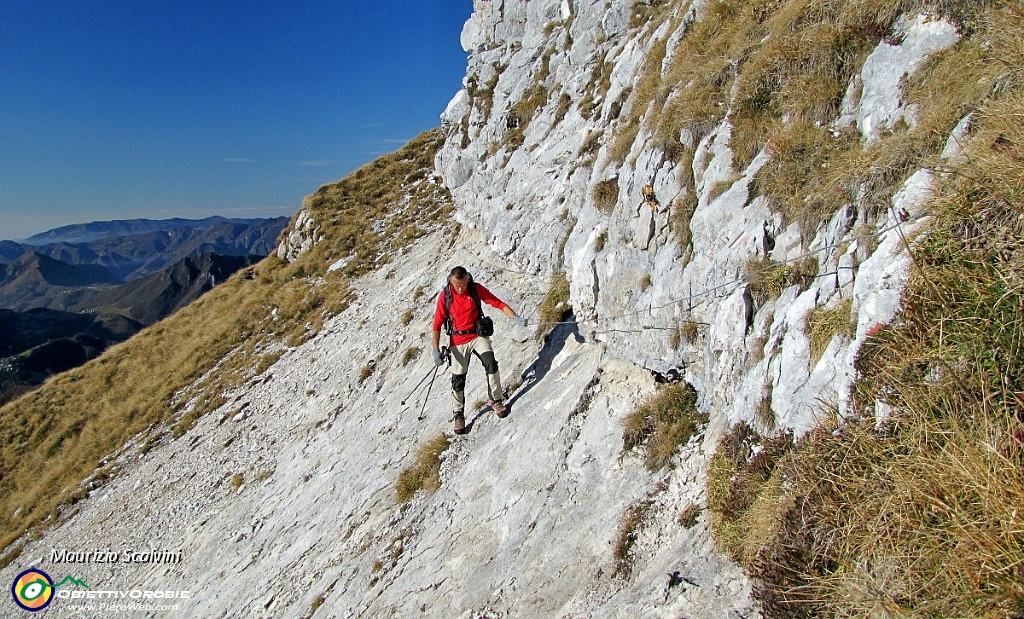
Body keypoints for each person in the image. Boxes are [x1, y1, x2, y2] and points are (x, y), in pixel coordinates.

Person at [431, 266, 526, 434]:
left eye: (463, 284)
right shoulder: (444, 296)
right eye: (457, 285)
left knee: (491, 363)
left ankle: (496, 400)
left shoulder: (475, 288)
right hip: (457, 340)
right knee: (458, 378)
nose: (460, 289)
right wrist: (435, 350)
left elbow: (496, 302)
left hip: (477, 336)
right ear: (450, 281)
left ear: (467, 279)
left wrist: (514, 316)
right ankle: (458, 413)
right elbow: (437, 324)